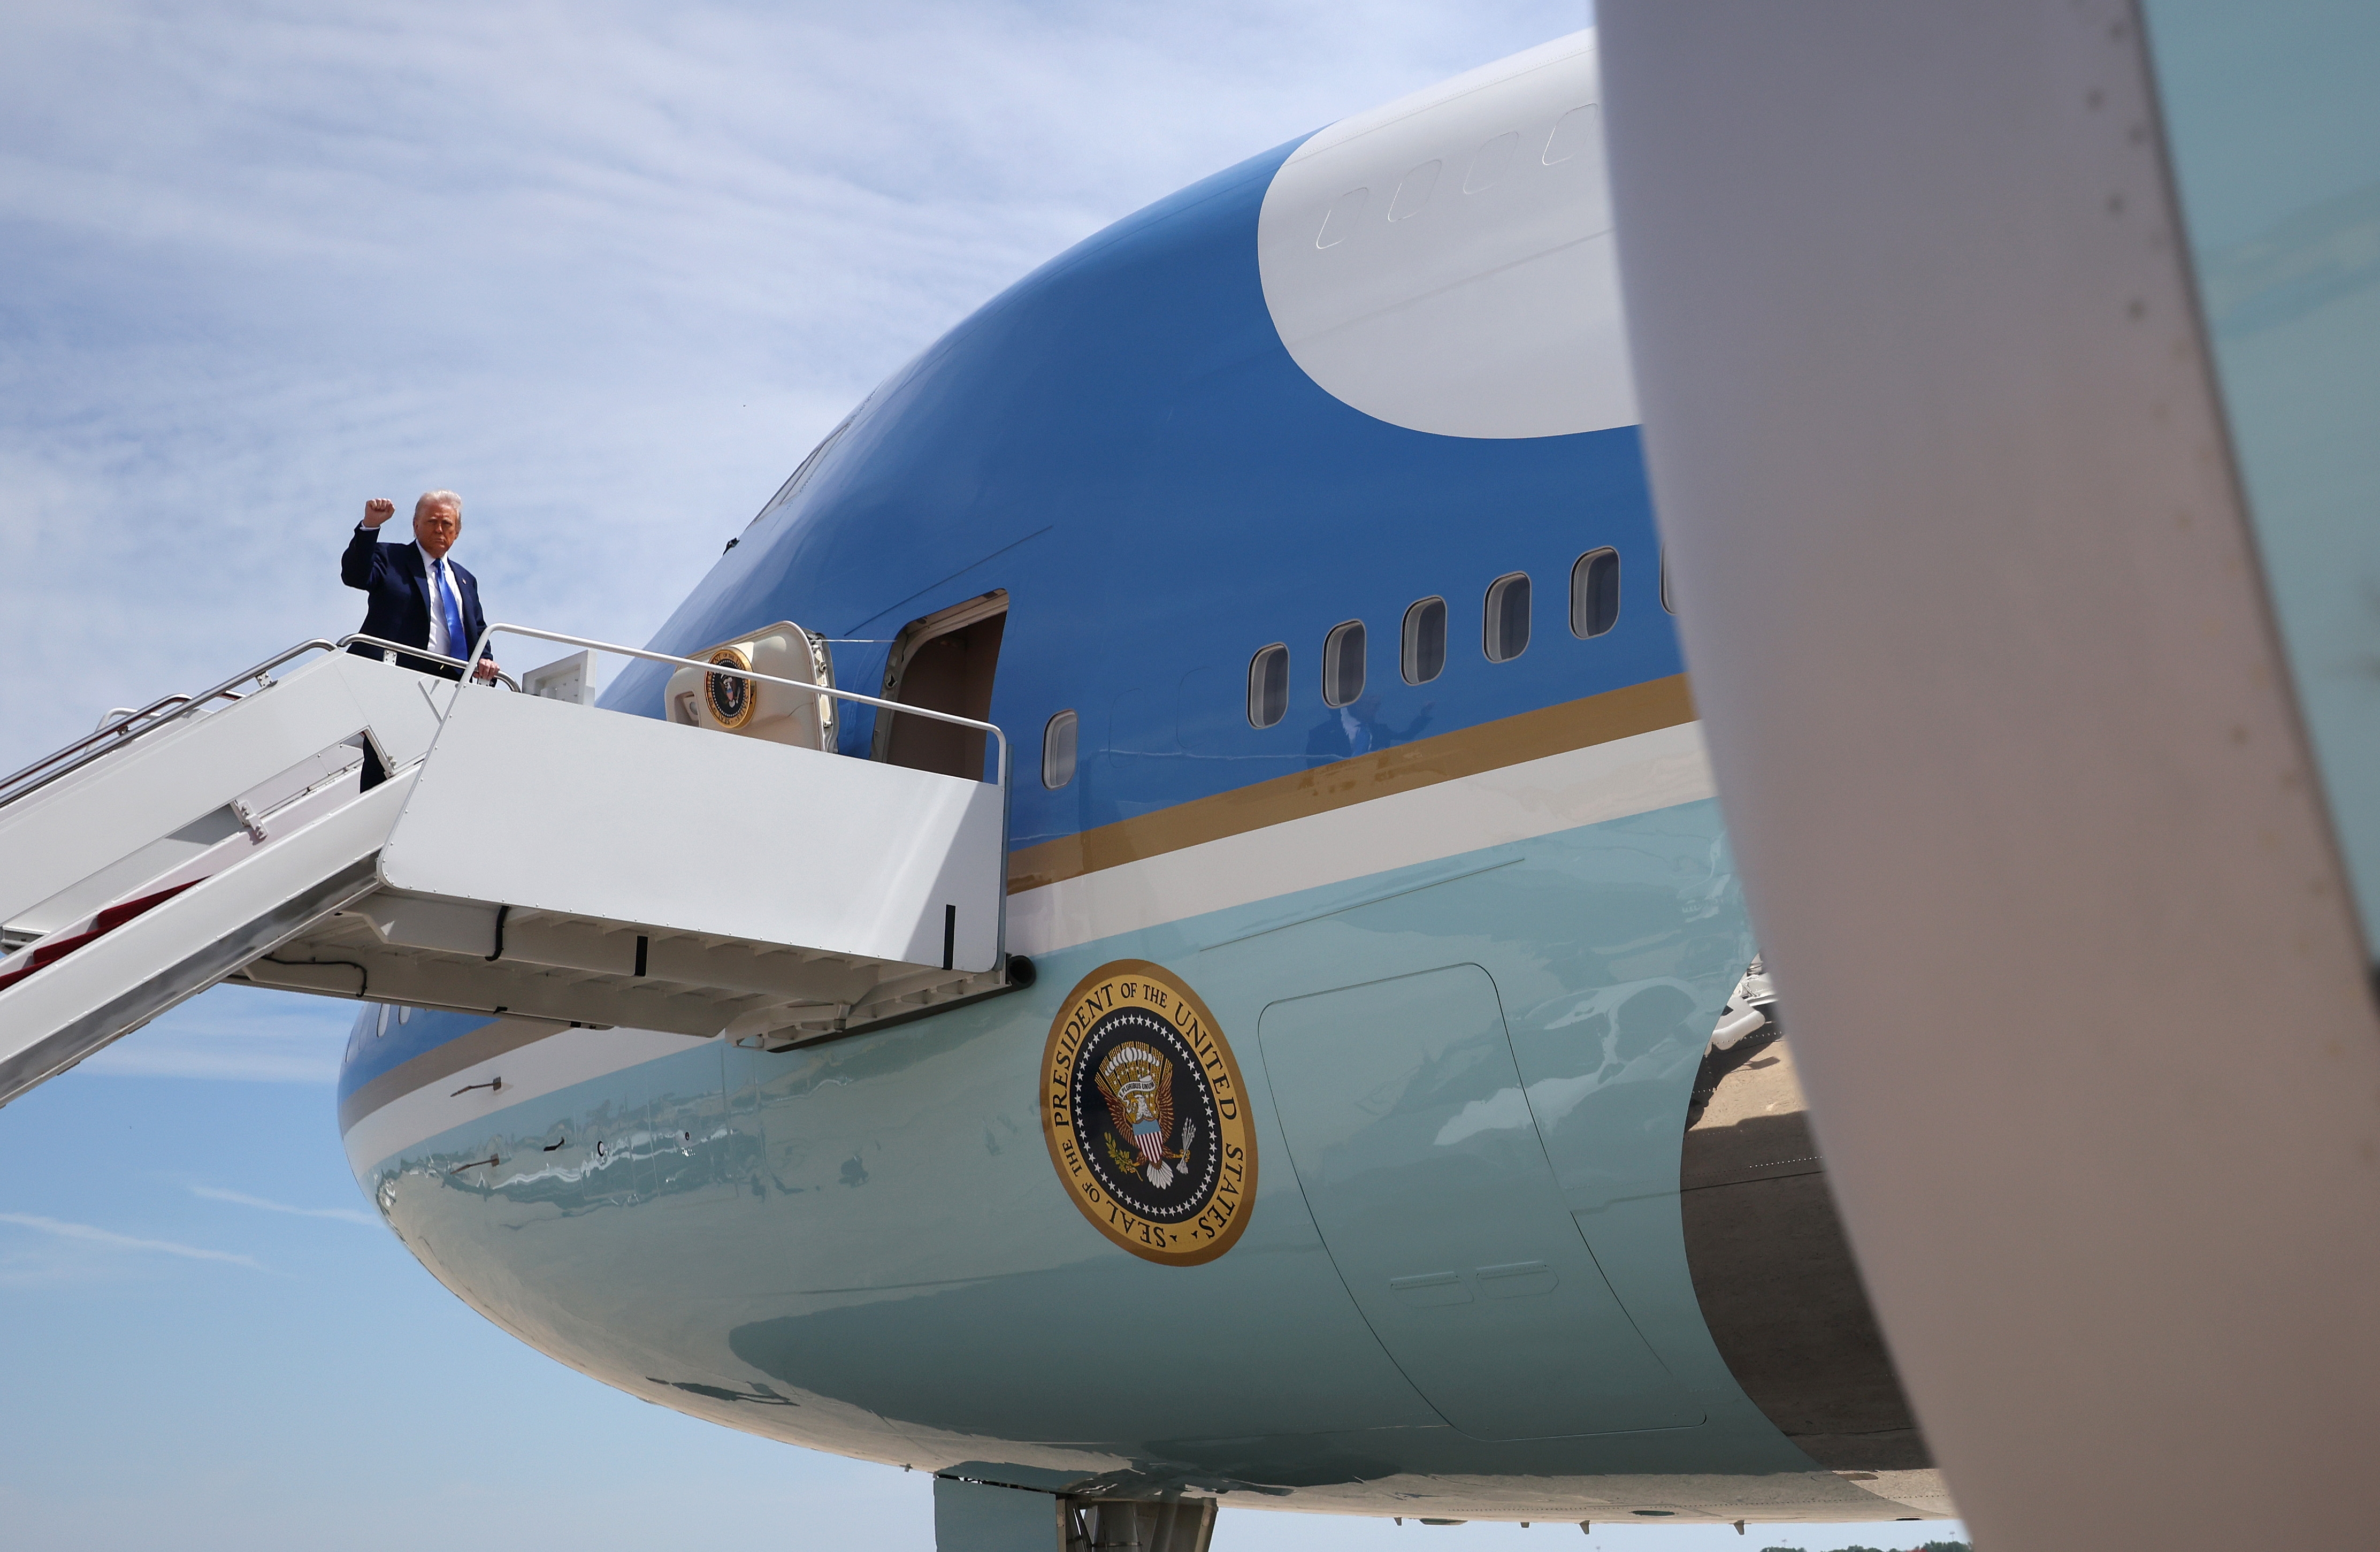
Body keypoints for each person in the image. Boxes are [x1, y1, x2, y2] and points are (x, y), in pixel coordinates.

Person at [342, 490, 502, 786]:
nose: (440, 530)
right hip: (397, 677)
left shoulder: (466, 578)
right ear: (415, 525)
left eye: (447, 524)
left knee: (445, 771)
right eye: (432, 522)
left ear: (458, 531)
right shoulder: (390, 557)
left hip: (452, 686)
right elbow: (355, 575)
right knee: (384, 762)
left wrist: (486, 660)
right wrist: (370, 527)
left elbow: (477, 629)